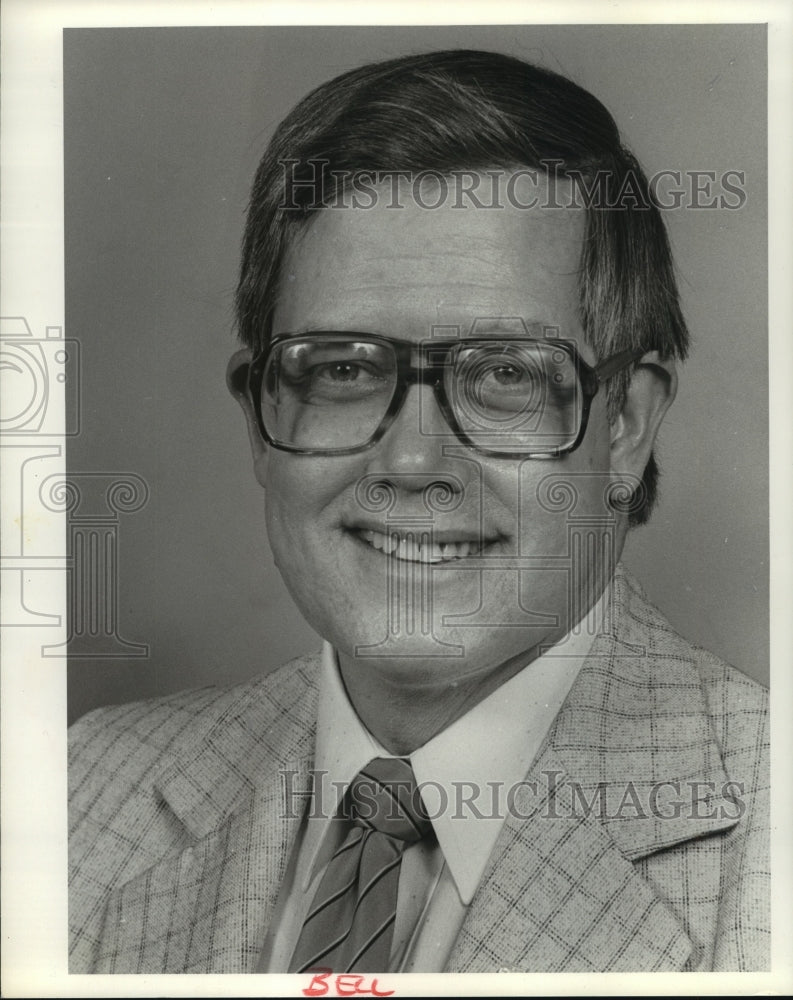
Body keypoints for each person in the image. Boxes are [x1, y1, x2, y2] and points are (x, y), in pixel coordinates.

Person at [68, 49, 769, 974]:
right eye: (346, 369)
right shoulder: (78, 794)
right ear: (259, 417)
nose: (410, 459)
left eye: (505, 375)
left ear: (626, 424)